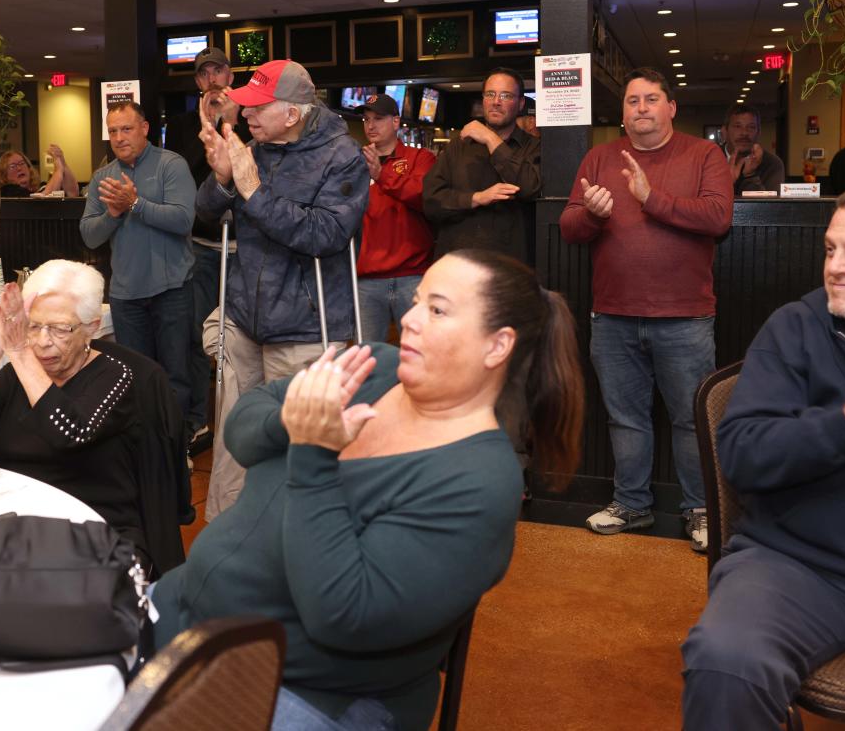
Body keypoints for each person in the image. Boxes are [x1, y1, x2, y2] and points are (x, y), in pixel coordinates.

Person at [150, 250, 585, 731]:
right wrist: (290, 421)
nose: (412, 319)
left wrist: (313, 453)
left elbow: (342, 615)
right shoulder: (374, 366)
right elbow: (243, 423)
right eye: (416, 301)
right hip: (184, 612)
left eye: (437, 310)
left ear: (497, 346)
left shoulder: (478, 480)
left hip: (304, 690)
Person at [681, 182, 845, 728]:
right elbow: (742, 456)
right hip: (796, 568)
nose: (836, 266)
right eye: (830, 249)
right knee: (727, 662)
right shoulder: (797, 328)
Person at [560, 67, 733, 551]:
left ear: (671, 107)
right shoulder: (599, 157)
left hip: (685, 316)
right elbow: (569, 228)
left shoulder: (704, 154)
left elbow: (718, 218)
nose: (641, 109)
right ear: (623, 112)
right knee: (625, 418)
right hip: (612, 315)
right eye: (633, 101)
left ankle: (700, 509)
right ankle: (631, 505)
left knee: (689, 417)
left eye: (651, 99)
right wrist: (592, 215)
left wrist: (650, 199)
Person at [195, 58, 368, 514]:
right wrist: (222, 178)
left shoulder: (342, 156)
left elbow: (326, 235)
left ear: (292, 113)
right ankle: (226, 532)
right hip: (245, 315)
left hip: (305, 325)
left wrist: (253, 192)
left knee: (295, 442)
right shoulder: (258, 146)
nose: (246, 114)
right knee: (235, 434)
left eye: (257, 107)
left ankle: (292, 538)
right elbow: (208, 212)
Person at [0, 261, 155, 565]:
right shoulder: (18, 374)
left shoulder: (115, 376)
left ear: (92, 328)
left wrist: (17, 352)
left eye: (60, 329)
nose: (42, 342)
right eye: (33, 325)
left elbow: (67, 434)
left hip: (94, 531)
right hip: (19, 524)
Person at [80, 100, 196, 423]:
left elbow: (184, 220)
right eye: (113, 131)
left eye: (126, 129)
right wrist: (114, 213)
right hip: (126, 297)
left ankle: (176, 452)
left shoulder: (171, 165)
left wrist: (135, 204)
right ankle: (142, 450)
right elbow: (89, 235)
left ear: (144, 129)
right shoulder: (103, 177)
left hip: (171, 291)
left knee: (175, 378)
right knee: (132, 378)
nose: (119, 137)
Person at [163, 45, 252, 456]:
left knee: (247, 333)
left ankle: (249, 416)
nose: (212, 80)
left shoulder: (251, 120)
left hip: (246, 248)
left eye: (218, 72)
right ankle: (200, 419)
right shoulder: (182, 126)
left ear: (230, 76)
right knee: (199, 335)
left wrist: (230, 127)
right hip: (201, 245)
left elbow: (253, 173)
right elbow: (189, 183)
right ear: (198, 82)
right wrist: (207, 132)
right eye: (204, 75)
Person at [422, 67, 541, 260]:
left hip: (510, 268)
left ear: (520, 104)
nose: (496, 102)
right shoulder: (458, 146)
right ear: (483, 99)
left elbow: (528, 187)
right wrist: (476, 198)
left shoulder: (534, 146)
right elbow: (431, 202)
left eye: (506, 95)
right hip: (459, 265)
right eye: (490, 94)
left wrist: (489, 138)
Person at [355, 92, 437, 342]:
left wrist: (382, 175)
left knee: (420, 354)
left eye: (378, 118)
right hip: (365, 279)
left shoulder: (420, 158)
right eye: (367, 119)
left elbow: (423, 196)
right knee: (366, 361)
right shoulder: (354, 162)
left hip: (412, 277)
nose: (371, 125)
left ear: (395, 122)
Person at [721, 103, 784, 195]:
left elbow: (771, 206)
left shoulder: (772, 163)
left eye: (751, 127)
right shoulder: (709, 159)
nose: (744, 133)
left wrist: (750, 175)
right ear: (725, 131)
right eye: (737, 126)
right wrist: (727, 182)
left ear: (758, 132)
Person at [0, 144, 79, 198]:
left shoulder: (41, 187)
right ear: (4, 175)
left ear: (29, 168)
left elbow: (73, 193)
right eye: (13, 166)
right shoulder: (8, 191)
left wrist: (62, 161)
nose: (19, 168)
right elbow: (43, 200)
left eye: (22, 163)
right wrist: (58, 169)